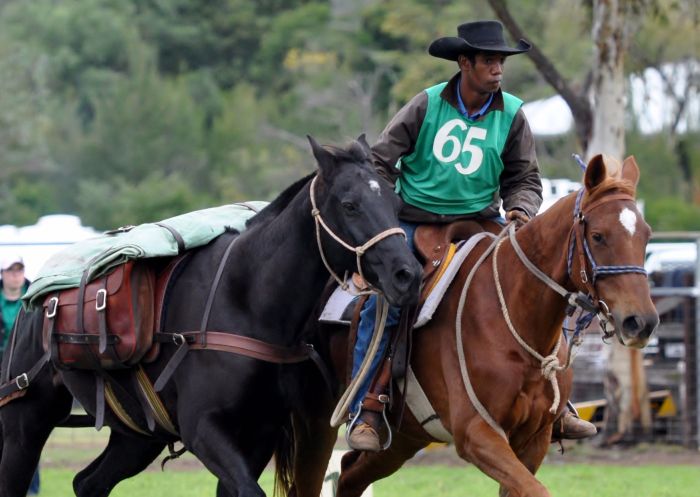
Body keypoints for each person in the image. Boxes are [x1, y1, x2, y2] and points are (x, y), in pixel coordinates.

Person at [347, 20, 597, 451]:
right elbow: (378, 164)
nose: (497, 69)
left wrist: (520, 211)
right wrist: (384, 221)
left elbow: (525, 177)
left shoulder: (514, 113)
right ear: (464, 63)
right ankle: (367, 405)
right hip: (414, 222)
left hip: (483, 222)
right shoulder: (425, 105)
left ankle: (557, 403)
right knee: (387, 301)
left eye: (500, 61)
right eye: (488, 61)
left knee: (541, 290)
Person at [0, 254, 41, 494]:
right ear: (3, 273)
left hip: (28, 374)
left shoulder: (36, 298)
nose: (16, 275)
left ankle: (32, 490)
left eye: (19, 270)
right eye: (11, 270)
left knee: (27, 433)